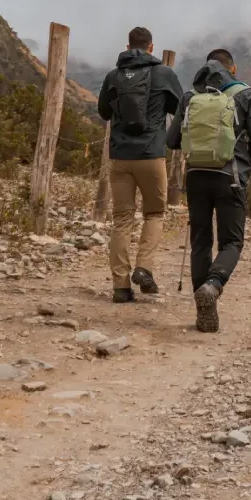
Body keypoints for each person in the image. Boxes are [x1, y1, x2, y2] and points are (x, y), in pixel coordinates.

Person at [166, 48, 251, 333]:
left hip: (196, 176)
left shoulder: (190, 96)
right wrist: (248, 161)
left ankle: (203, 310)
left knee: (200, 242)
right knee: (231, 242)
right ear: (232, 69)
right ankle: (213, 285)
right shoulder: (246, 95)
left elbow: (172, 140)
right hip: (231, 176)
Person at [98, 27, 183, 303]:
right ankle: (144, 267)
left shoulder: (113, 76)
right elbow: (180, 109)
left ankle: (120, 287)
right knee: (154, 213)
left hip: (120, 158)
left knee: (122, 219)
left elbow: (103, 112)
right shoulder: (164, 74)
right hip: (151, 156)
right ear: (151, 47)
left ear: (128, 47)